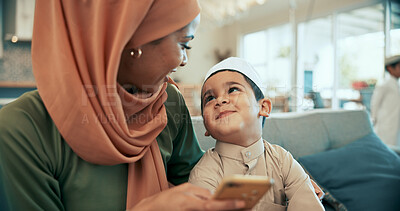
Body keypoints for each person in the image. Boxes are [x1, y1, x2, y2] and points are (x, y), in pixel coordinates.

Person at [0, 1, 247, 210]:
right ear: (130, 40)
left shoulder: (169, 102)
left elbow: (199, 183)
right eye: (184, 44)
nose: (183, 61)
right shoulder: (21, 130)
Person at [189, 57, 325, 210]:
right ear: (205, 125)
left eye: (233, 90)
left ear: (264, 107)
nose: (220, 100)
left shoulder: (282, 160)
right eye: (210, 98)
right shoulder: (204, 173)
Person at [371, 55, 400, 146]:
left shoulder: (396, 84)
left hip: (394, 124)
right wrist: (374, 120)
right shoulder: (385, 84)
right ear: (390, 68)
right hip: (385, 125)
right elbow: (375, 103)